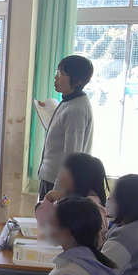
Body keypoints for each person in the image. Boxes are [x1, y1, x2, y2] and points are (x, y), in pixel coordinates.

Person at [37, 55, 95, 202]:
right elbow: (63, 131)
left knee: (47, 217)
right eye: (57, 72)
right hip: (51, 177)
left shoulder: (76, 109)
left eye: (62, 73)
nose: (56, 77)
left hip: (57, 184)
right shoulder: (69, 101)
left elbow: (72, 155)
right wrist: (48, 112)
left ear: (77, 81)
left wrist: (58, 191)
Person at [36, 152, 110, 247]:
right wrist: (49, 198)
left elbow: (94, 246)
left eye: (66, 169)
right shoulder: (69, 197)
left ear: (80, 176)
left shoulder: (91, 207)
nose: (61, 173)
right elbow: (43, 223)